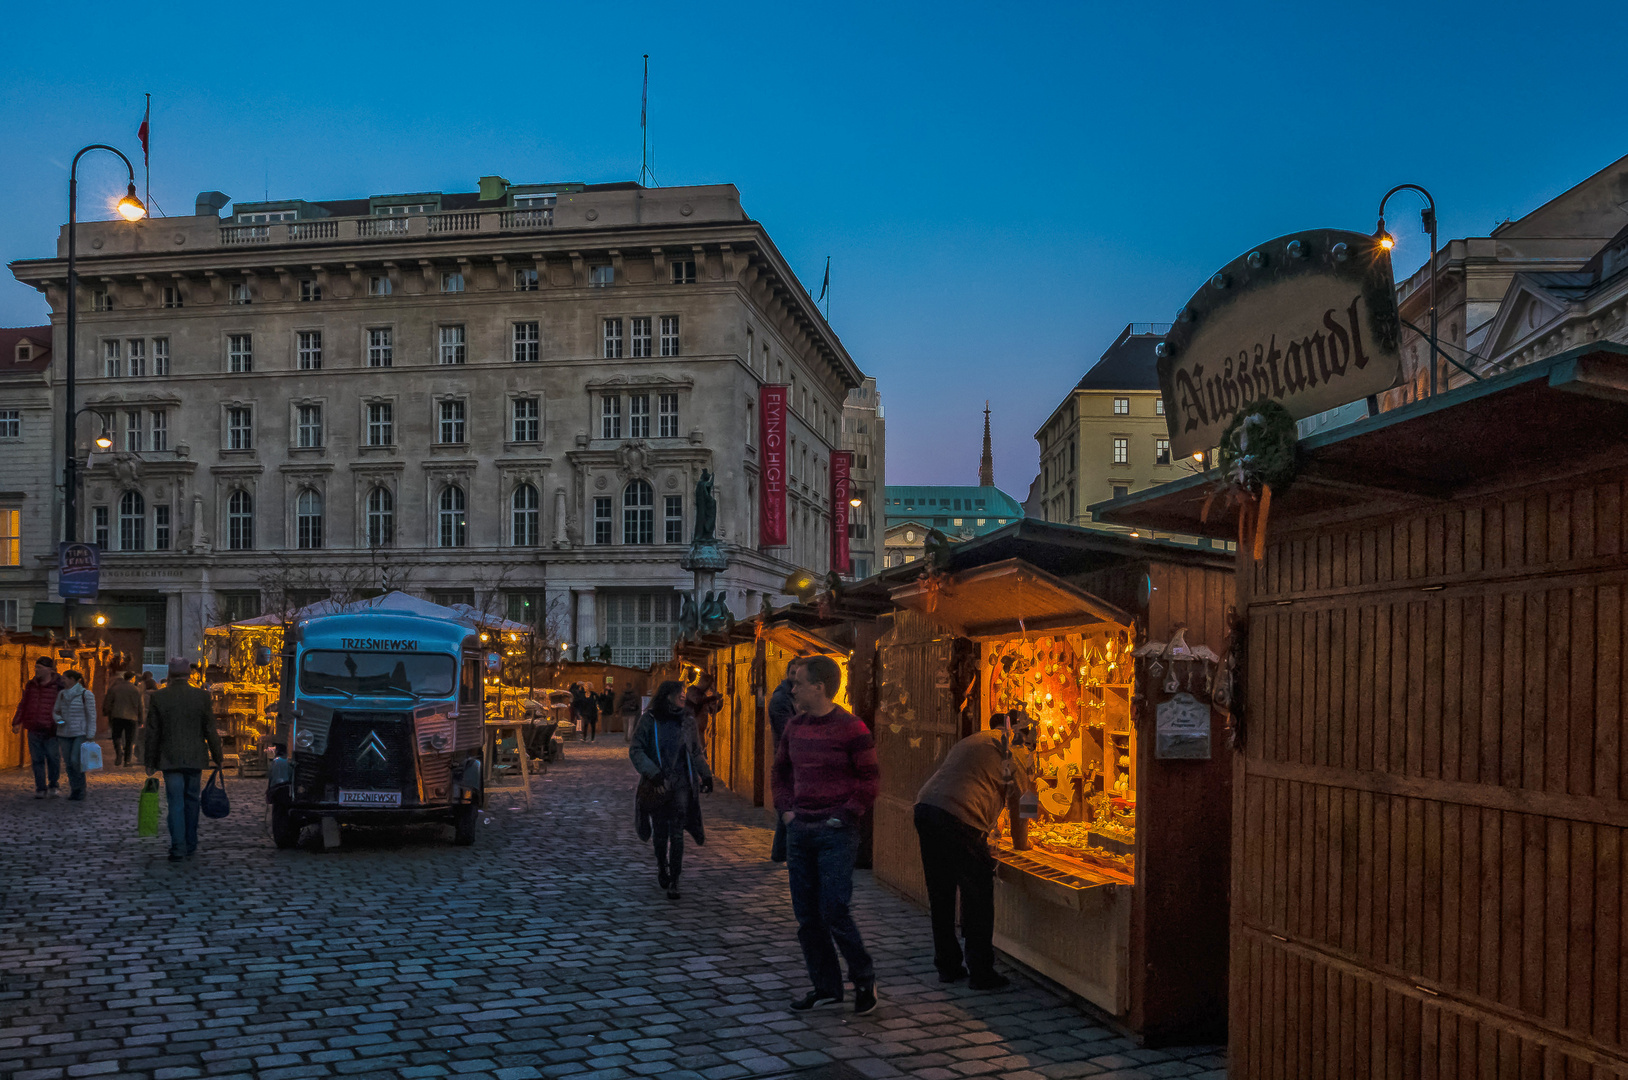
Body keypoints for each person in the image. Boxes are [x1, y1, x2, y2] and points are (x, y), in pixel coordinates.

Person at [772, 655, 881, 1015]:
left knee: (834, 907)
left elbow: (870, 780)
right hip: (800, 829)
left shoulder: (852, 728)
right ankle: (826, 987)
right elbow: (781, 772)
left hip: (836, 832)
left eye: (798, 682)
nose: (793, 688)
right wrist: (787, 811)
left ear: (819, 687)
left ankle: (864, 980)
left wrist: (845, 815)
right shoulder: (794, 727)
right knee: (807, 916)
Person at [913, 710, 1037, 990]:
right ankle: (981, 971)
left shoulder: (976, 740)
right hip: (960, 817)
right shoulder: (1014, 749)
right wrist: (1023, 845)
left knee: (941, 892)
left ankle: (947, 965)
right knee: (978, 893)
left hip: (926, 808)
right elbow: (1023, 804)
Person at [629, 680, 713, 899]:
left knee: (677, 834)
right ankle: (661, 866)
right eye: (680, 693)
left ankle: (675, 879)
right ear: (668, 696)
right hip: (658, 784)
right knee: (660, 833)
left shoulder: (687, 720)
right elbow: (636, 749)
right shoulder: (650, 720)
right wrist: (652, 772)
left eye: (684, 693)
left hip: (681, 786)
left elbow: (695, 751)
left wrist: (706, 774)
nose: (684, 696)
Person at [144, 658, 223, 862]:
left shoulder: (160, 697)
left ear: (169, 675)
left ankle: (177, 846)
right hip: (195, 757)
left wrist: (150, 761)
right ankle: (191, 843)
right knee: (191, 800)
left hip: (169, 758)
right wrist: (218, 756)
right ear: (189, 674)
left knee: (175, 803)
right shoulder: (202, 696)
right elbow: (210, 730)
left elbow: (153, 732)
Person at [12, 657, 66, 798]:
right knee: (37, 760)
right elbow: (24, 703)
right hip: (34, 727)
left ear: (49, 669)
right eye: (35, 667)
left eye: (40, 668)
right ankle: (40, 788)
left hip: (51, 730)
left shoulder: (59, 686)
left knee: (53, 758)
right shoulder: (31, 685)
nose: (36, 670)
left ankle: (53, 784)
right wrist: (17, 722)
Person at [766, 662, 802, 863]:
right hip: (786, 757)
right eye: (793, 672)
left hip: (790, 756)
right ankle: (781, 851)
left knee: (789, 803)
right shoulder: (781, 699)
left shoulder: (792, 696)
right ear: (787, 673)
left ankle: (780, 852)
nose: (796, 677)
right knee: (787, 802)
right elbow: (788, 730)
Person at [52, 669, 99, 802]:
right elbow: (56, 711)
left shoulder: (86, 694)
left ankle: (80, 788)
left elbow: (91, 715)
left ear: (72, 679)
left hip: (80, 732)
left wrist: (91, 734)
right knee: (68, 763)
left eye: (65, 678)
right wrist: (59, 720)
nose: (62, 680)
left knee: (75, 760)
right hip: (64, 733)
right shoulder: (61, 694)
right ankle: (74, 789)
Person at [105, 671, 144, 767]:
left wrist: (106, 712)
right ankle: (127, 761)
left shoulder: (115, 688)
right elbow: (140, 706)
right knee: (130, 739)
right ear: (132, 678)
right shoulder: (136, 690)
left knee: (116, 736)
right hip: (132, 717)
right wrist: (141, 719)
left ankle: (118, 753)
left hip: (117, 715)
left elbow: (108, 702)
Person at [683, 672, 723, 740]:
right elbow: (697, 700)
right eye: (708, 685)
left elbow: (710, 710)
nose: (708, 688)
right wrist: (714, 697)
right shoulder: (692, 691)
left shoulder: (702, 695)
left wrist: (719, 706)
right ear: (704, 682)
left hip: (699, 730)